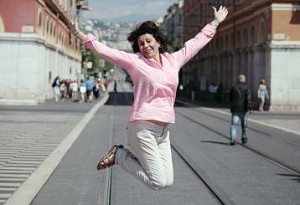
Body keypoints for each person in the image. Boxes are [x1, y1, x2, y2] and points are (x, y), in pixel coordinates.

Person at [70, 6, 228, 190]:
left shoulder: (173, 60)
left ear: (158, 42)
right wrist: (81, 35)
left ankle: (126, 155)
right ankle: (119, 156)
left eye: (148, 41)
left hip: (162, 132)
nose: (145, 46)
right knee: (158, 182)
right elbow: (106, 51)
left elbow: (194, 44)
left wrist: (215, 22)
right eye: (141, 44)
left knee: (167, 181)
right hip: (142, 128)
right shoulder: (135, 62)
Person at [229, 74, 252, 145]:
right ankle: (244, 137)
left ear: (238, 80)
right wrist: (249, 108)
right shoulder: (246, 88)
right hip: (243, 109)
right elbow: (248, 99)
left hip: (235, 109)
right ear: (244, 80)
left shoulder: (233, 87)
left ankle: (233, 139)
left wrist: (231, 107)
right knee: (244, 125)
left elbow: (230, 98)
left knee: (233, 125)